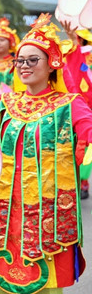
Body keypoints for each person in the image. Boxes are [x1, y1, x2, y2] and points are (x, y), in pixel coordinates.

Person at [0, 14, 92, 294]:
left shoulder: (68, 103)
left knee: (46, 286)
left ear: (52, 64)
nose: (24, 66)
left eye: (32, 60)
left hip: (48, 213)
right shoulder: (7, 102)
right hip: (9, 211)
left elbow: (88, 127)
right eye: (20, 61)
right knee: (5, 281)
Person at [59, 20, 92, 200]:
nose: (82, 43)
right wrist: (71, 40)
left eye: (84, 41)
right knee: (73, 145)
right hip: (75, 107)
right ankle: (75, 181)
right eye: (80, 40)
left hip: (88, 109)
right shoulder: (76, 56)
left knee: (87, 146)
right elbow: (73, 63)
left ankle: (83, 181)